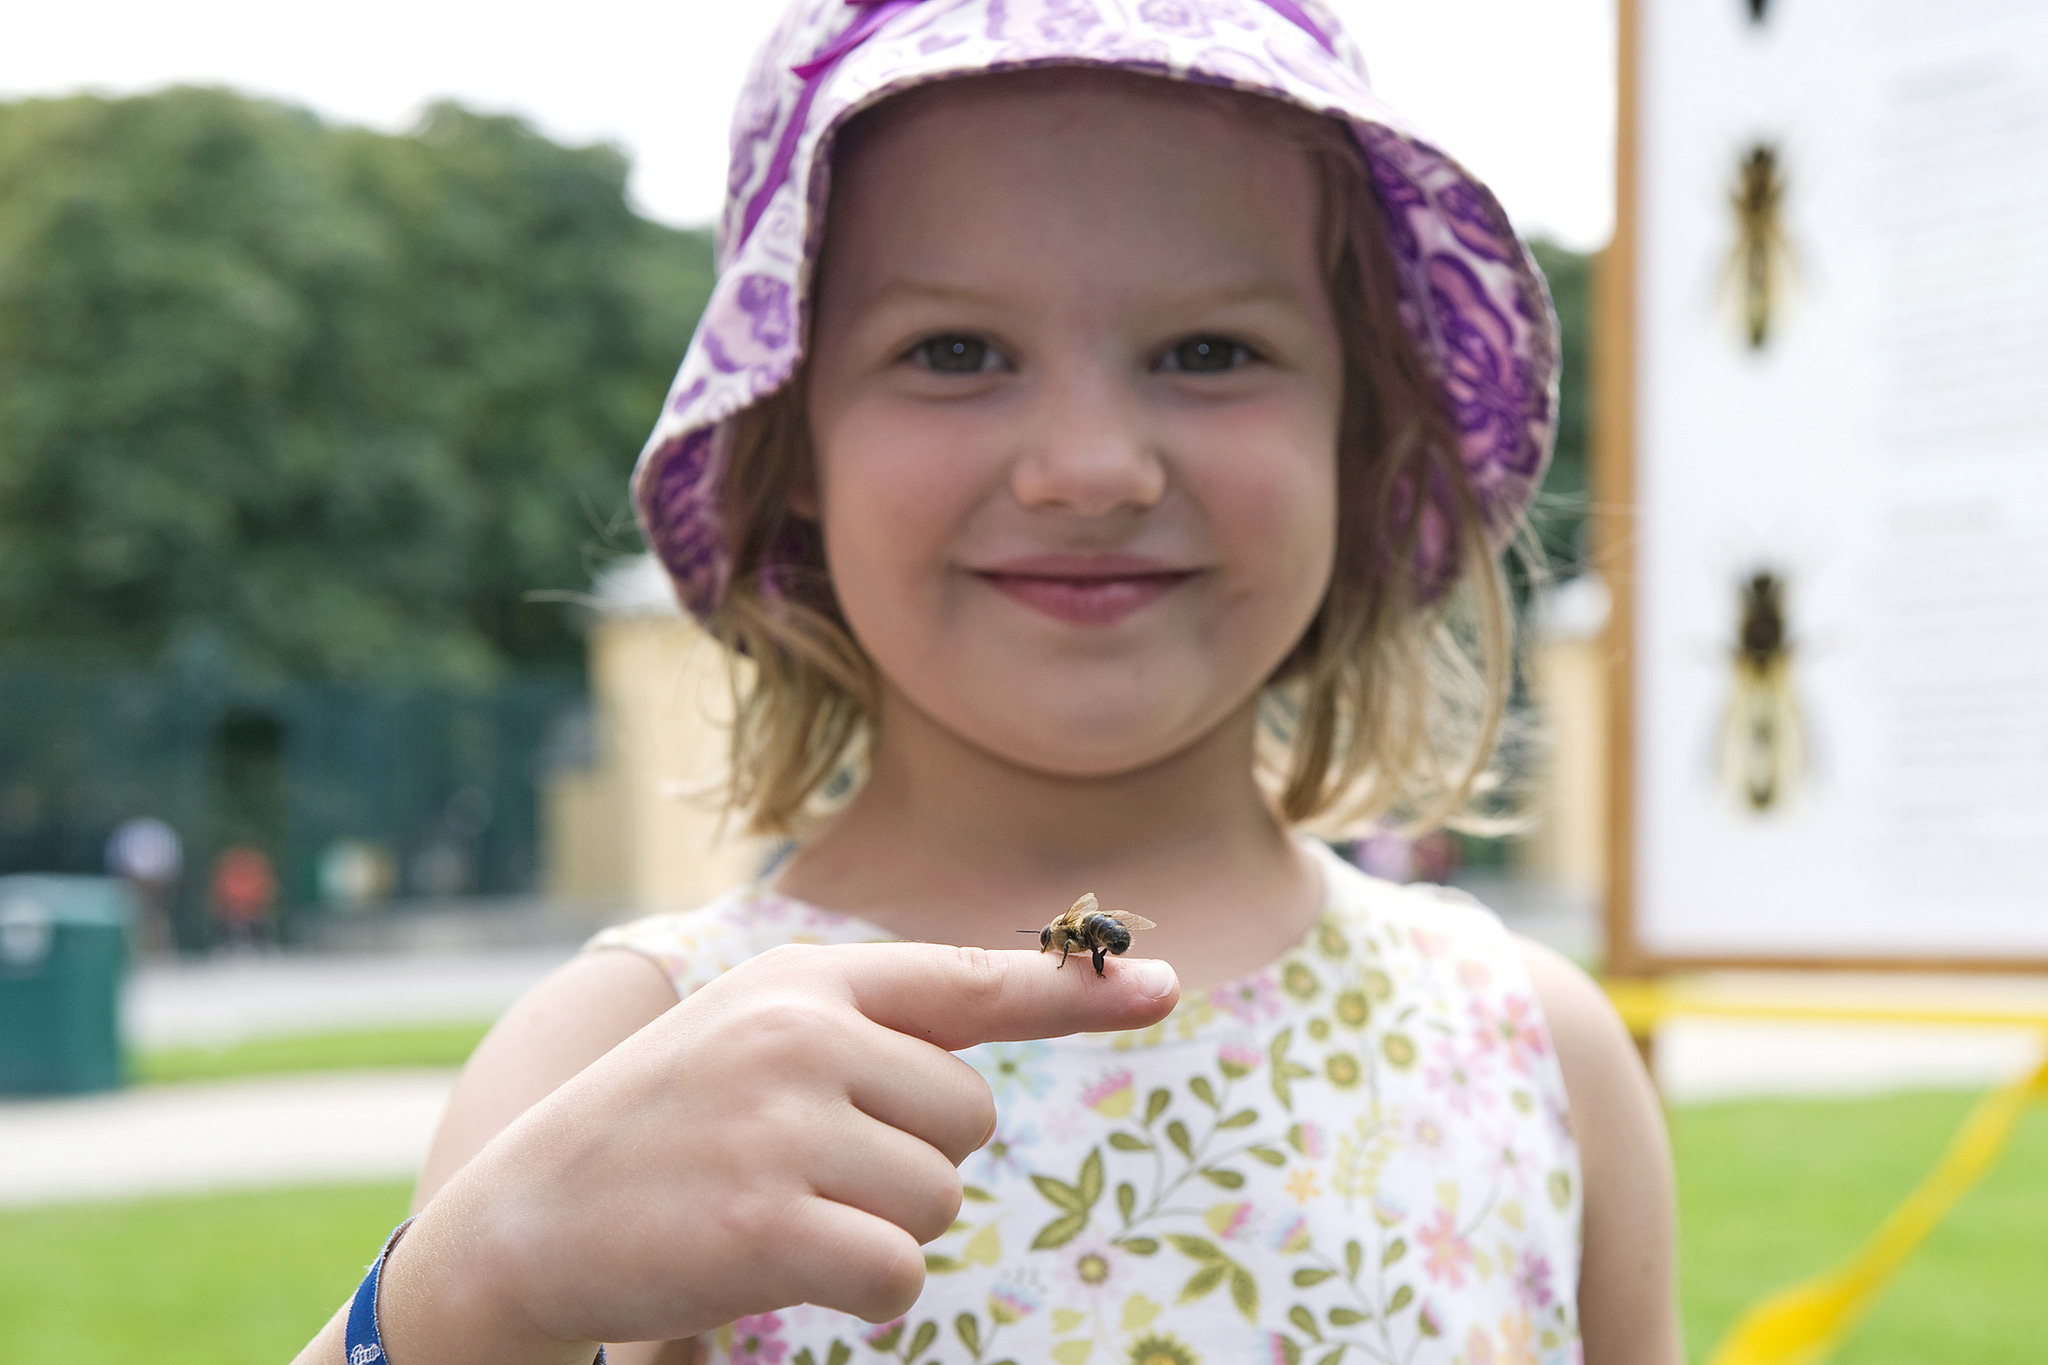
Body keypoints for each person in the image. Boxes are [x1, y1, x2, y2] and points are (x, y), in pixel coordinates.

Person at [295, 2, 1678, 1362]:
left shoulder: (1537, 1047)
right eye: (953, 352)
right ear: (790, 445)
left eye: (1212, 352)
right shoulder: (627, 1060)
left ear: (1360, 440)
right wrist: (475, 1295)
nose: (1089, 466)